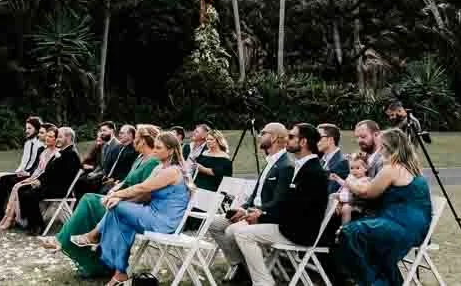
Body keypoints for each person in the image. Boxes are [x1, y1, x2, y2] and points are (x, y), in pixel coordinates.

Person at [68, 132, 191, 286]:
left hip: (164, 221)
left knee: (116, 209)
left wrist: (117, 195)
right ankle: (120, 273)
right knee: (121, 219)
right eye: (155, 147)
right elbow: (145, 194)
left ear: (171, 150)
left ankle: (95, 236)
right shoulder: (160, 168)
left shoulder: (172, 171)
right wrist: (120, 198)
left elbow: (143, 187)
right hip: (152, 214)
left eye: (159, 148)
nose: (154, 151)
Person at [42, 125, 161, 277]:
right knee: (89, 200)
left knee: (89, 200)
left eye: (136, 137)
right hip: (119, 200)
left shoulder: (153, 163)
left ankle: (63, 240)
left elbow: (146, 194)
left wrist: (119, 199)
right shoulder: (140, 159)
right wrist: (115, 189)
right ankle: (94, 262)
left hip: (132, 208)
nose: (134, 140)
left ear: (143, 140)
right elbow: (126, 181)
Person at [229, 124, 329, 286]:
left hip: (299, 232)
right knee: (240, 231)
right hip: (290, 226)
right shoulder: (303, 166)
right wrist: (261, 213)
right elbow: (286, 203)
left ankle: (263, 282)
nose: (286, 140)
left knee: (243, 234)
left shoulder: (313, 172)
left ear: (303, 142)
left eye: (291, 136)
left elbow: (297, 209)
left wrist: (263, 215)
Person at [335, 128, 432, 286]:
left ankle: (375, 283)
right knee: (365, 241)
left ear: (387, 147)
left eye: (381, 146)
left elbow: (367, 193)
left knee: (349, 233)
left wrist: (349, 181)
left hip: (400, 226)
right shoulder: (413, 168)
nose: (379, 151)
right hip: (418, 229)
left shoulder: (391, 169)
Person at [208, 122, 293, 284]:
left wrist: (249, 213)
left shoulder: (286, 165)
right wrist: (242, 208)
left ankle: (257, 278)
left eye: (263, 133)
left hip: (264, 217)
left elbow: (278, 201)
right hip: (250, 210)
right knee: (214, 224)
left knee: (233, 231)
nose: (260, 136)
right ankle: (240, 267)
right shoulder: (270, 162)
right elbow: (256, 195)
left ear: (274, 137)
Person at [17, 126, 81, 235]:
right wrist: (38, 180)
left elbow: (62, 176)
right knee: (22, 190)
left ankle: (38, 226)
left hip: (60, 189)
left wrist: (41, 183)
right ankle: (30, 222)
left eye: (60, 137)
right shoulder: (62, 151)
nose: (57, 139)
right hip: (51, 184)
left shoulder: (71, 154)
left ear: (69, 138)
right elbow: (48, 171)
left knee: (29, 194)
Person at [0, 124, 58, 230]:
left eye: (51, 136)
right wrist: (28, 177)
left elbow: (49, 173)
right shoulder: (43, 152)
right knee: (16, 186)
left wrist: (35, 179)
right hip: (35, 176)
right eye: (47, 136)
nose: (47, 138)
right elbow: (37, 169)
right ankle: (8, 217)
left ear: (56, 139)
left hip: (44, 182)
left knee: (20, 188)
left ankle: (17, 219)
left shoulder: (57, 154)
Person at [0, 116, 43, 221]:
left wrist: (27, 174)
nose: (27, 131)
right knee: (2, 179)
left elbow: (39, 165)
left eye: (29, 128)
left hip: (32, 175)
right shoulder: (28, 143)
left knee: (6, 180)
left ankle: (3, 212)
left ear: (36, 129)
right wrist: (19, 171)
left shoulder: (41, 145)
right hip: (24, 172)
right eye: (26, 128)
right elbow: (24, 162)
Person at [74, 121, 122, 200]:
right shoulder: (104, 145)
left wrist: (96, 175)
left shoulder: (117, 146)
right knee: (80, 180)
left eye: (104, 130)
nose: (102, 133)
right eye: (101, 131)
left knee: (82, 183)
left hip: (108, 178)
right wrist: (94, 172)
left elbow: (111, 168)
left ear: (112, 131)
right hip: (99, 174)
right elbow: (101, 165)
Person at [99, 124, 139, 192]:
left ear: (130, 135)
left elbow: (131, 170)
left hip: (120, 182)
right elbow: (108, 164)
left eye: (122, 133)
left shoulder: (135, 151)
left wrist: (117, 180)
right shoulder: (117, 147)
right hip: (108, 177)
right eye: (119, 133)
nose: (119, 135)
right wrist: (106, 175)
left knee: (104, 191)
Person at [333, 153, 370, 225]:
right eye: (351, 168)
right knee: (332, 196)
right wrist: (337, 179)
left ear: (366, 168)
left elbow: (360, 192)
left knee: (346, 209)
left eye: (357, 168)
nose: (354, 170)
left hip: (356, 204)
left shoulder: (365, 180)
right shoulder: (351, 177)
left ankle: (345, 228)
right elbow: (345, 184)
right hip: (345, 198)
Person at [318, 123, 350, 193]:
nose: (316, 141)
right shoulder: (320, 161)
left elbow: (330, 191)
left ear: (330, 139)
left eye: (319, 138)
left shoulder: (342, 162)